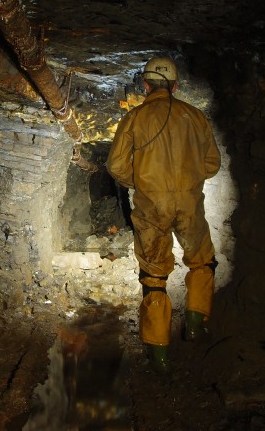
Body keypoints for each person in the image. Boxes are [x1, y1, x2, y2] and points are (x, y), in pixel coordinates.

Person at [106, 56, 221, 374]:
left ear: (145, 86)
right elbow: (212, 163)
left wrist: (141, 183)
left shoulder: (135, 118)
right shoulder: (195, 117)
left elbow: (116, 165)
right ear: (175, 86)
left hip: (152, 205)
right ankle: (195, 324)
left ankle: (160, 354)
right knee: (202, 260)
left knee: (154, 275)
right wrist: (188, 180)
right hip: (188, 203)